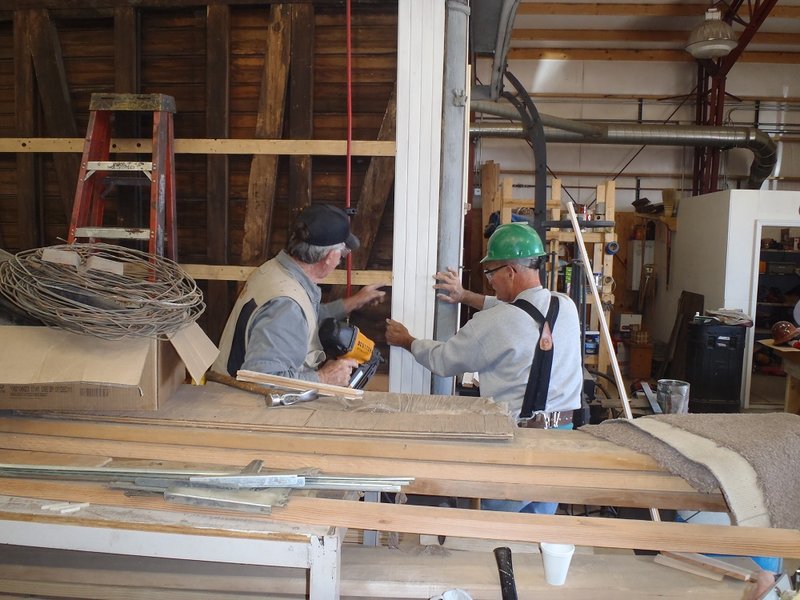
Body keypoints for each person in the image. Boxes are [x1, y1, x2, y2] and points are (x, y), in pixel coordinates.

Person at [385, 222, 583, 514]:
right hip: (563, 441)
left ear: (510, 272)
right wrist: (464, 296)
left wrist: (407, 340)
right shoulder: (565, 306)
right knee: (536, 531)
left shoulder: (494, 324)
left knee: (496, 530)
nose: (489, 281)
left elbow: (443, 360)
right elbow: (520, 311)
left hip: (520, 446)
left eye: (491, 273)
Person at [213, 203, 387, 387]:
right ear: (329, 256)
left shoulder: (275, 270)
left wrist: (355, 301)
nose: (340, 260)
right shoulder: (286, 305)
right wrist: (324, 378)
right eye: (343, 253)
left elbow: (305, 318)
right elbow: (263, 379)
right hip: (242, 406)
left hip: (228, 391)